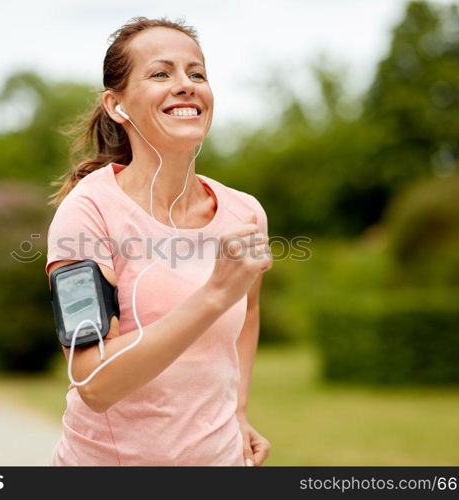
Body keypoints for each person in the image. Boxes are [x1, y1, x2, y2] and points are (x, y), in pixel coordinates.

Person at [45, 16, 273, 466]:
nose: (185, 85)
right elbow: (92, 383)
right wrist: (211, 296)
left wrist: (239, 411)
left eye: (197, 73)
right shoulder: (86, 214)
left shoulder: (243, 213)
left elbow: (247, 313)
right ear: (116, 105)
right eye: (160, 73)